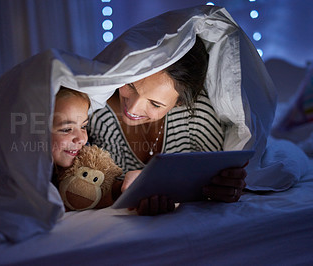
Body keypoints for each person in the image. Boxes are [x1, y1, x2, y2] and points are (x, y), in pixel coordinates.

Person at [88, 36, 247, 215]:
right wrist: (120, 190)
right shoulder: (98, 113)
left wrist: (221, 186)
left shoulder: (197, 114)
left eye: (155, 104)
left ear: (179, 103)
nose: (132, 107)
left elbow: (215, 176)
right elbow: (74, 184)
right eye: (131, 86)